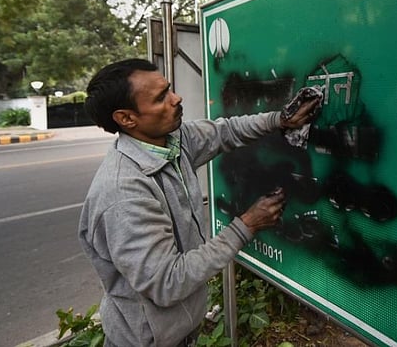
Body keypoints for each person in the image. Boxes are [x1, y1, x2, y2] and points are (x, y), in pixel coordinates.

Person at [78, 58, 319, 347]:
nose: (176, 99)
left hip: (179, 333)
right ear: (127, 119)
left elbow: (225, 132)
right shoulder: (124, 194)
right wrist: (247, 225)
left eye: (169, 89)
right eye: (161, 98)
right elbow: (167, 281)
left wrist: (279, 119)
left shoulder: (171, 141)